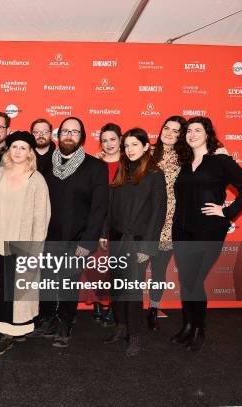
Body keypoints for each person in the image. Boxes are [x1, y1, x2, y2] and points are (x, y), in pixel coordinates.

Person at [171, 116, 242, 351]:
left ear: (208, 134)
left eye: (198, 130)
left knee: (196, 281)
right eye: (188, 131)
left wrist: (227, 211)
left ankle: (199, 329)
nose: (192, 134)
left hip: (208, 230)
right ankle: (187, 325)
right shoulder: (185, 163)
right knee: (186, 281)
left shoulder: (220, 161)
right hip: (182, 230)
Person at [40, 117, 108, 348]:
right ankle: (47, 319)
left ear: (82, 137)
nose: (69, 135)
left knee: (68, 283)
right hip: (46, 237)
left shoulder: (95, 167)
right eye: (65, 131)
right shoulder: (45, 164)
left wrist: (87, 242)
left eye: (75, 132)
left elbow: (99, 209)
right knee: (47, 281)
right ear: (58, 136)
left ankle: (65, 322)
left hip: (77, 238)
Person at [100, 128, 167, 357]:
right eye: (126, 146)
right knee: (117, 287)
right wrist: (103, 232)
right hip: (117, 239)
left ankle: (134, 335)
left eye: (134, 145)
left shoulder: (155, 174)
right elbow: (109, 207)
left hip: (138, 242)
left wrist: (147, 247)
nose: (129, 150)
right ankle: (120, 326)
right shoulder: (121, 169)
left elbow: (158, 213)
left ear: (146, 146)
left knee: (132, 291)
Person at [0, 131, 51, 355]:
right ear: (8, 150)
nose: (18, 152)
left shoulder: (36, 179)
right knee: (1, 287)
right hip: (0, 237)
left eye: (23, 148)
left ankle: (11, 332)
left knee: (18, 290)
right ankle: (5, 328)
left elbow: (41, 218)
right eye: (14, 147)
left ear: (30, 152)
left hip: (23, 242)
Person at [146, 116, 186, 330]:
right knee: (136, 269)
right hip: (144, 220)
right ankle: (129, 311)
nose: (169, 133)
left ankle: (153, 309)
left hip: (169, 222)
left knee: (159, 271)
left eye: (176, 131)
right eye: (166, 128)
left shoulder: (185, 158)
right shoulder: (148, 152)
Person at [91, 122, 122, 326]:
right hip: (99, 222)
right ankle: (99, 303)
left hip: (121, 223)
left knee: (117, 268)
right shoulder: (95, 164)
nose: (109, 144)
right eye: (104, 140)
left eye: (112, 139)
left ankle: (114, 307)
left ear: (120, 140)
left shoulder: (129, 164)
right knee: (98, 267)